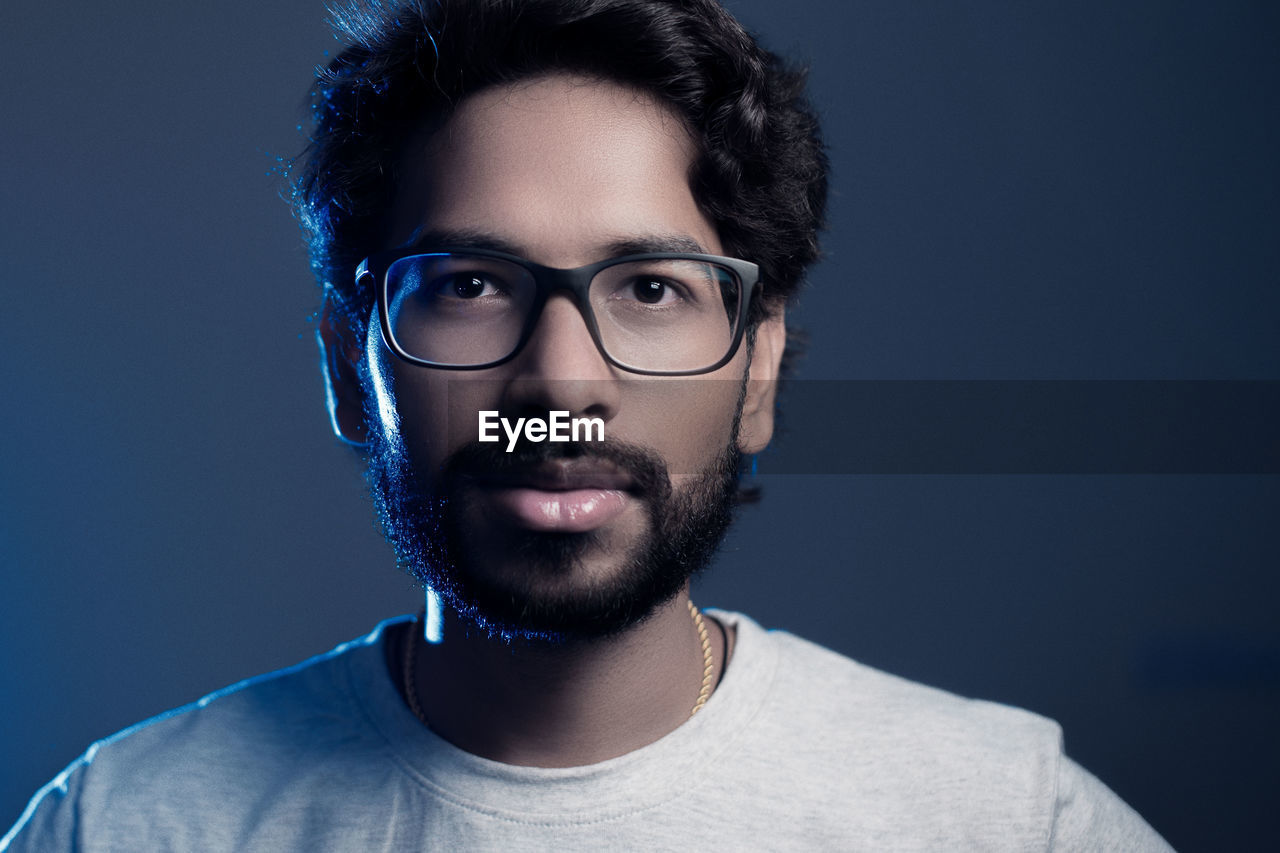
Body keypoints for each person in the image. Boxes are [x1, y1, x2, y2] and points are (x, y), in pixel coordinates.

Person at [3, 0, 1172, 849]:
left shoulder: (996, 819)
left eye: (651, 289)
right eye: (467, 284)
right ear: (348, 373)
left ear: (756, 371)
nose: (559, 387)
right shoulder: (129, 826)